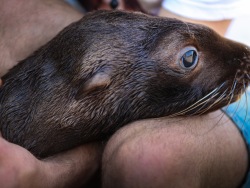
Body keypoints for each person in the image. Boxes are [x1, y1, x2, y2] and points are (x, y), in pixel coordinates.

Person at [0, 0, 249, 187]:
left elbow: (183, 54)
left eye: (188, 58)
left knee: (147, 161)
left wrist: (53, 175)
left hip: (221, 101)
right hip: (88, 44)